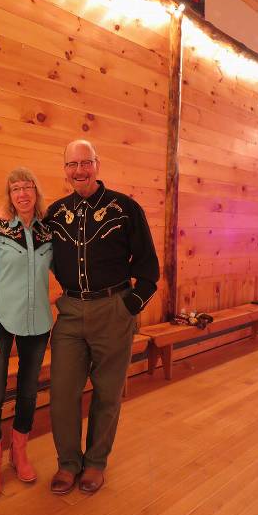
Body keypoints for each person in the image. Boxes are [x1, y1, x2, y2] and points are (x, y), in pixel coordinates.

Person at [45, 140, 159, 495]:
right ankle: (68, 464)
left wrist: (130, 305)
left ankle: (95, 463)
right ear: (64, 169)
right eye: (72, 164)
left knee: (108, 392)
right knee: (63, 392)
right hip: (70, 312)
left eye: (86, 163)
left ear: (97, 164)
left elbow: (149, 268)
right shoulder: (54, 213)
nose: (79, 170)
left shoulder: (125, 209)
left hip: (114, 309)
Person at [0, 168, 53, 497]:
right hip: (0, 323)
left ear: (36, 191)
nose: (22, 193)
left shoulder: (50, 231)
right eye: (15, 188)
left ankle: (18, 452)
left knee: (29, 392)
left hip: (39, 324)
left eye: (27, 187)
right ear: (9, 195)